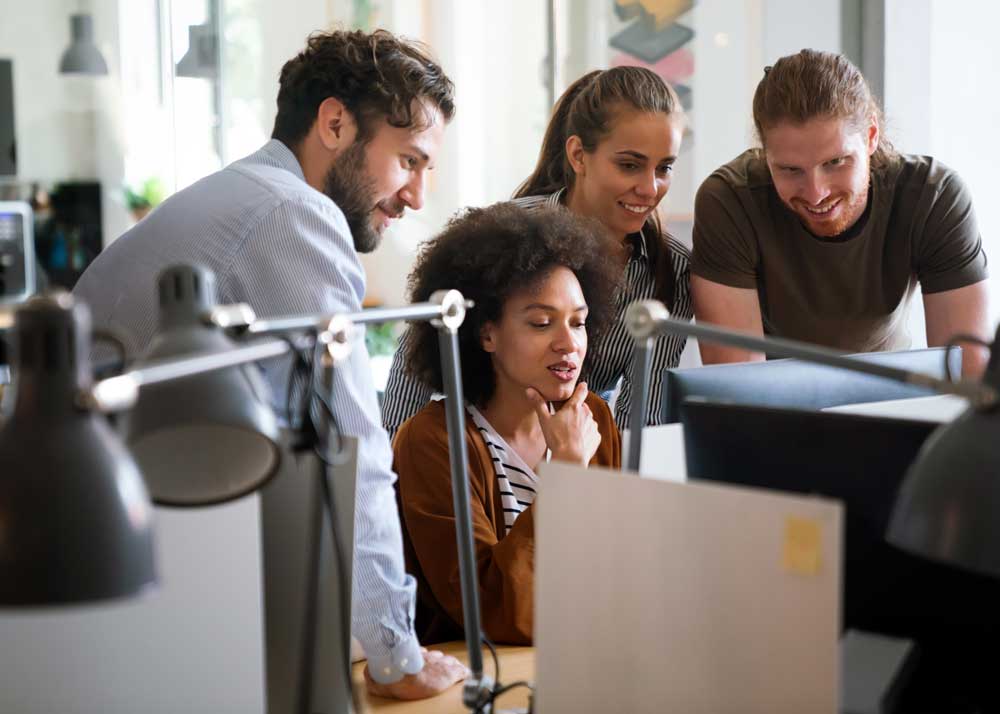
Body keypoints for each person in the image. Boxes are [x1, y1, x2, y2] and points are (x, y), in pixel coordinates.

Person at [72, 29, 467, 700]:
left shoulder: (235, 195)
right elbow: (355, 449)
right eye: (409, 160)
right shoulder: (294, 215)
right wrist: (396, 651)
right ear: (336, 123)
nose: (418, 195)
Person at [383, 66, 692, 435]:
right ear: (578, 155)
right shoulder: (500, 234)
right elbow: (417, 366)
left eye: (665, 168)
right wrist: (393, 474)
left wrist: (600, 479)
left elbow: (642, 419)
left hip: (581, 455)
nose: (650, 188)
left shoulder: (670, 272)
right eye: (630, 165)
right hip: (478, 453)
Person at [393, 202, 623, 645]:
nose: (568, 344)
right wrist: (567, 473)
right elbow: (497, 611)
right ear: (486, 334)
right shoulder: (433, 442)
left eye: (579, 323)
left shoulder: (591, 419)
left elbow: (609, 581)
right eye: (541, 323)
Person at [691, 49, 990, 375]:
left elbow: (966, 380)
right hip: (772, 412)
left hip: (894, 403)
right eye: (791, 169)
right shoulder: (729, 201)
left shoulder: (933, 197)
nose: (816, 193)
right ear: (765, 155)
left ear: (871, 136)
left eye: (835, 162)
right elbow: (738, 387)